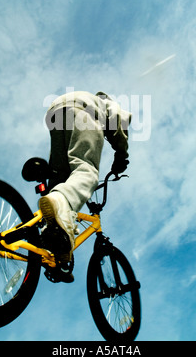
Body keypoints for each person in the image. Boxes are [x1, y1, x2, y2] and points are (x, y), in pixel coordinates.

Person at [39, 90, 132, 269]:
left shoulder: (85, 95)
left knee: (61, 180)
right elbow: (119, 124)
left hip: (56, 110)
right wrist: (122, 154)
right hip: (82, 110)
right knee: (86, 170)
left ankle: (50, 236)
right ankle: (62, 202)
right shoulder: (106, 103)